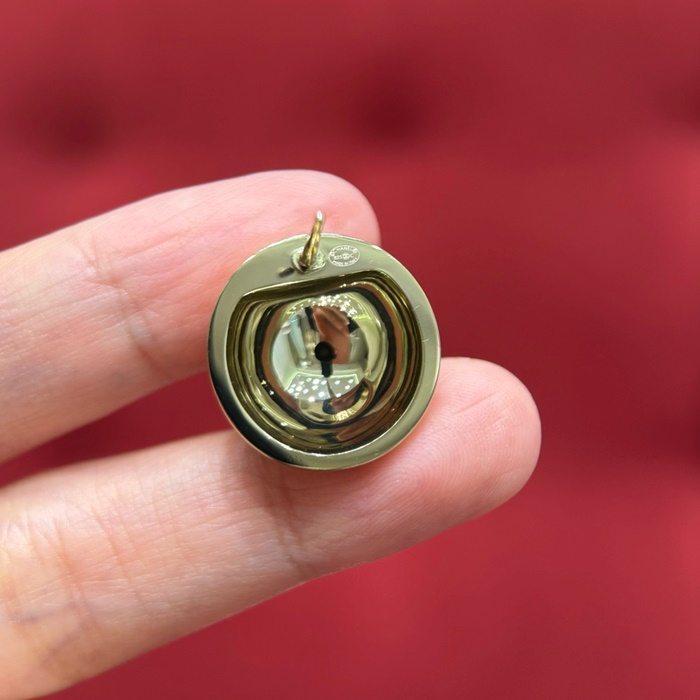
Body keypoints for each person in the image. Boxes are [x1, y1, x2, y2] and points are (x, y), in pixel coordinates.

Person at [0, 171, 541, 699]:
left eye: (334, 339)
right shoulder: (279, 338)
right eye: (323, 341)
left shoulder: (363, 332)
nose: (326, 345)